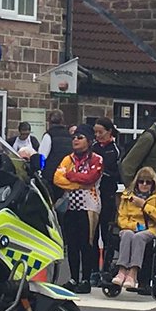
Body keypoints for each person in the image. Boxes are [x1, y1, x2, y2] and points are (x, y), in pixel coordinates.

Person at [53, 125, 104, 293]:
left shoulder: (97, 159)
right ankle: (74, 278)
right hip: (71, 206)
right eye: (74, 137)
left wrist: (71, 177)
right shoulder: (68, 159)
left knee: (87, 243)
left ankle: (86, 279)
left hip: (89, 206)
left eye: (80, 137)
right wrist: (79, 183)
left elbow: (91, 177)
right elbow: (57, 178)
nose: (75, 140)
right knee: (72, 245)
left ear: (89, 141)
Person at [111, 167, 156, 290]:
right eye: (141, 181)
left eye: (148, 182)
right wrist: (133, 226)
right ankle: (121, 271)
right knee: (127, 234)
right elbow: (121, 218)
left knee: (138, 237)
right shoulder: (127, 196)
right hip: (130, 227)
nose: (144, 185)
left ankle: (133, 273)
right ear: (136, 182)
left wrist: (144, 205)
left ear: (153, 184)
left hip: (149, 229)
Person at [92, 117, 122, 286]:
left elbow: (113, 170)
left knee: (107, 232)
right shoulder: (93, 147)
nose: (97, 135)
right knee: (93, 234)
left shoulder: (114, 150)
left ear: (109, 132)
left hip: (108, 195)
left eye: (100, 132)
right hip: (93, 195)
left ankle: (107, 267)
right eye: (95, 132)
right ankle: (94, 269)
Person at [39, 110, 74, 192]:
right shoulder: (69, 136)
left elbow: (42, 156)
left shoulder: (49, 135)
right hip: (66, 175)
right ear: (62, 120)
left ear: (49, 121)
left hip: (51, 176)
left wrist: (39, 172)